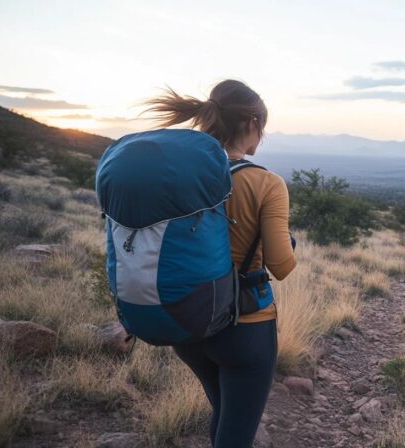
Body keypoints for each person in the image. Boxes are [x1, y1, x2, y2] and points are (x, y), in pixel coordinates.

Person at [143, 79, 297, 447]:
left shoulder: (180, 177)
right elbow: (282, 265)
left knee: (225, 414)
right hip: (245, 326)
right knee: (237, 433)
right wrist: (289, 244)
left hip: (187, 320)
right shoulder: (266, 183)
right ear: (252, 125)